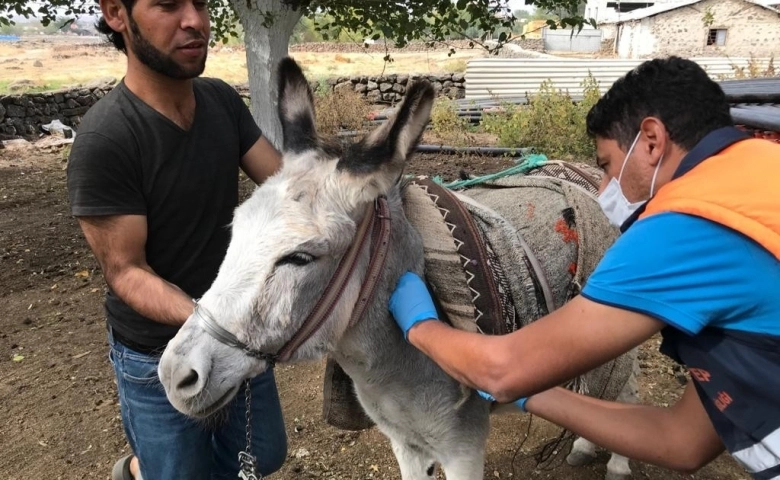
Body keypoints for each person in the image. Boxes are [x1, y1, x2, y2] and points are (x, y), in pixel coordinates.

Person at [388, 56, 780, 478]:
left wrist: (419, 326)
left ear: (651, 140)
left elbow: (500, 370)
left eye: (607, 165)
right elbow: (684, 442)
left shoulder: (688, 225)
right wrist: (533, 395)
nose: (605, 189)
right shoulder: (758, 169)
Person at [66, 0, 287, 479]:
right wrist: (214, 324)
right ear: (116, 14)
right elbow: (126, 270)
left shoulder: (221, 102)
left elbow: (286, 188)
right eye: (168, 4)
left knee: (263, 456)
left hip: (234, 332)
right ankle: (141, 469)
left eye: (201, 3)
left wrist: (359, 188)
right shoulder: (107, 139)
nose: (195, 21)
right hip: (156, 351)